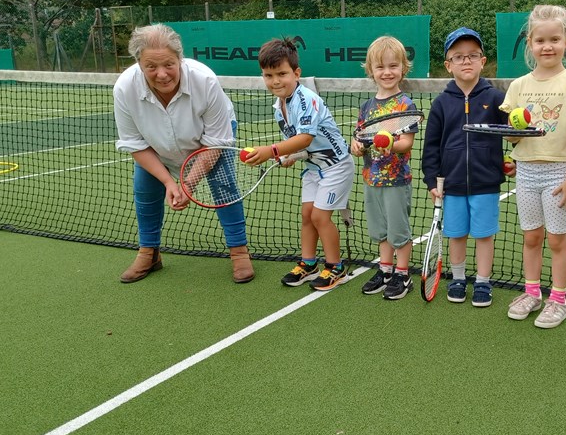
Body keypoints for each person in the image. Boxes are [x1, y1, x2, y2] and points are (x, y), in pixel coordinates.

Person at [113, 23, 254, 284]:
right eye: (151, 67)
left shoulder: (205, 80)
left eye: (169, 64)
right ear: (139, 64)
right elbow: (134, 143)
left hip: (210, 140)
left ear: (180, 58)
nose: (162, 74)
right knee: (144, 190)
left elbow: (214, 143)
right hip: (153, 144)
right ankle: (149, 253)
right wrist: (168, 182)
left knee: (224, 187)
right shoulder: (124, 88)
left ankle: (239, 251)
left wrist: (187, 184)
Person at [500, 5, 566, 329]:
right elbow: (513, 137)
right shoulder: (517, 87)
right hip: (526, 172)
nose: (547, 46)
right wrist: (512, 135)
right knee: (531, 237)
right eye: (540, 40)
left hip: (558, 173)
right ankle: (532, 293)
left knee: (556, 240)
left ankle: (558, 299)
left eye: (555, 39)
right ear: (530, 43)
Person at [243, 37, 355, 291]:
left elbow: (305, 137)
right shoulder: (278, 105)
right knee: (306, 215)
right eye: (268, 75)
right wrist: (287, 157)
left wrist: (271, 151)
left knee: (319, 216)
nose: (275, 81)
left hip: (336, 165)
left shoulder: (306, 99)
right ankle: (308, 263)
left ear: (296, 73)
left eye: (281, 73)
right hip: (314, 167)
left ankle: (335, 267)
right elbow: (294, 143)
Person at [421, 27, 507, 307]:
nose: (466, 61)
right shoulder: (441, 103)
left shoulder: (496, 98)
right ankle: (458, 279)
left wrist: (511, 161)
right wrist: (432, 180)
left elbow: (512, 134)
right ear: (448, 66)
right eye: (458, 57)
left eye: (473, 55)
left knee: (484, 235)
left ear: (483, 61)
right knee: (456, 234)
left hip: (486, 182)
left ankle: (483, 282)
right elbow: (431, 145)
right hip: (452, 184)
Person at [351, 36, 420, 300]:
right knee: (380, 231)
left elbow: (406, 143)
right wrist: (356, 146)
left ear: (403, 68)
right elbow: (358, 138)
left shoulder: (405, 105)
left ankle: (403, 275)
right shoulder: (367, 107)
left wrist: (389, 143)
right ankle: (386, 271)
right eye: (380, 67)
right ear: (370, 70)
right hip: (371, 179)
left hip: (396, 180)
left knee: (398, 231)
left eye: (393, 66)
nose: (387, 72)